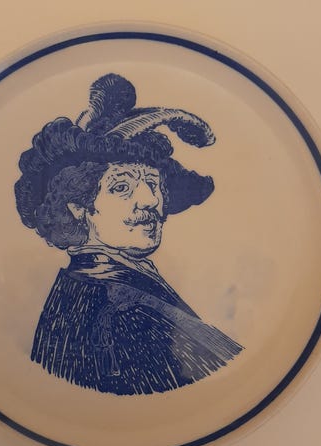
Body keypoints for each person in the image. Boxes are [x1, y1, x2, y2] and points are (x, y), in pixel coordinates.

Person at [14, 73, 242, 395]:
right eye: (121, 187)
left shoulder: (113, 284)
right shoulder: (119, 310)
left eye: (152, 184)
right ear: (78, 207)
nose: (150, 200)